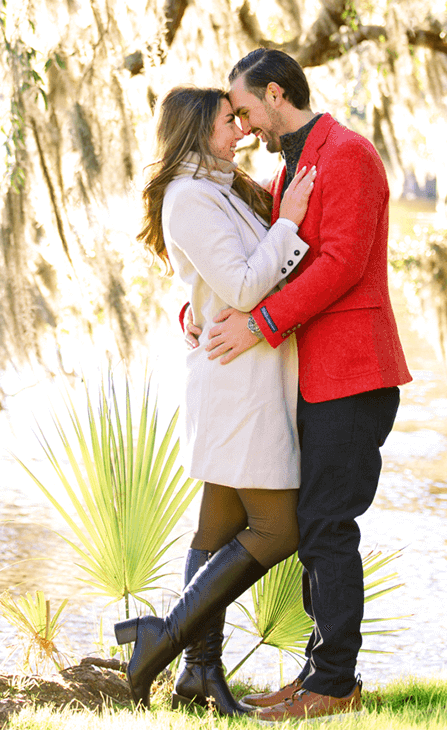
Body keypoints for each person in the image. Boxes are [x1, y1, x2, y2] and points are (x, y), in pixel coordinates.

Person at [205, 48, 411, 721]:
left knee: (327, 524)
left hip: (354, 373)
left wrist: (261, 323)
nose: (243, 126)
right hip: (314, 375)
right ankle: (320, 674)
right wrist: (202, 308)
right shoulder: (292, 165)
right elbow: (267, 260)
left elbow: (343, 265)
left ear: (274, 92)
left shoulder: (346, 153)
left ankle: (334, 685)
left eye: (243, 110)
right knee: (316, 524)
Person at [119, 85, 317, 712]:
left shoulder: (218, 188)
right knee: (278, 527)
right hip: (238, 384)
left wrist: (191, 308)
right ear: (195, 132)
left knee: (217, 530)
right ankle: (165, 640)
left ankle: (198, 673)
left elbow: (210, 281)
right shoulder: (188, 198)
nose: (239, 131)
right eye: (228, 123)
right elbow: (237, 283)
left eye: (238, 119)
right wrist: (289, 221)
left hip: (250, 373)